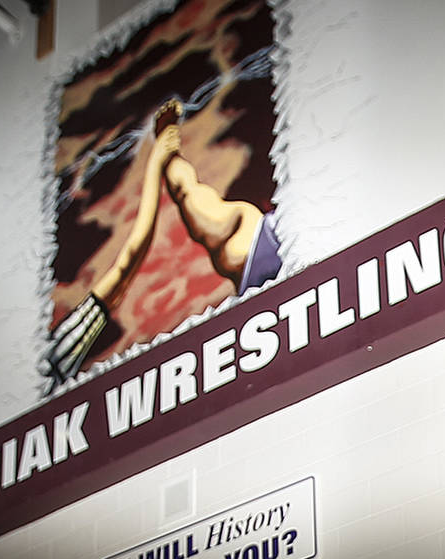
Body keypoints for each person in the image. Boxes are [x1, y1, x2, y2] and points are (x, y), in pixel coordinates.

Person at [45, 99, 283, 386]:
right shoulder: (49, 361)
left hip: (269, 255)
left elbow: (130, 260)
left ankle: (171, 162)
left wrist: (161, 160)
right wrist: (159, 161)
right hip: (268, 251)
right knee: (228, 225)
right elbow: (129, 260)